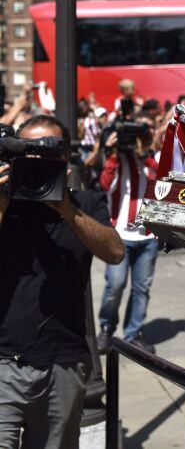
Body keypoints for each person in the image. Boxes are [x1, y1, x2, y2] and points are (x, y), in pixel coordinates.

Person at [0, 116, 124, 448]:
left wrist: (66, 209)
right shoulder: (4, 204)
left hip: (64, 363)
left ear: (66, 158)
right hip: (3, 361)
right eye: (28, 153)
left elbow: (114, 252)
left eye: (48, 153)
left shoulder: (85, 203)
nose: (37, 162)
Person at [97, 118, 160, 354]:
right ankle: (106, 327)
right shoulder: (118, 159)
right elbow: (105, 185)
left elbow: (165, 181)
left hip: (147, 235)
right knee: (115, 284)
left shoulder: (154, 159)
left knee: (141, 288)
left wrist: (147, 154)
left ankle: (133, 333)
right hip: (119, 235)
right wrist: (113, 153)